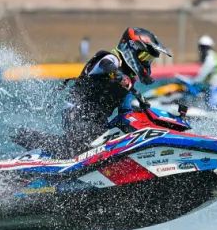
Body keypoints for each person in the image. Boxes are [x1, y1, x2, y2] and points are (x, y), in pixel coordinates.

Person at [51, 27, 171, 157]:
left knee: (121, 129)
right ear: (132, 49)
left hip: (97, 121)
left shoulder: (129, 81)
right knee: (85, 143)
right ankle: (64, 154)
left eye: (149, 59)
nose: (146, 62)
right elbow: (106, 64)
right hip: (76, 112)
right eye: (145, 57)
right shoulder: (112, 59)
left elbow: (125, 113)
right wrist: (119, 76)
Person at [193, 35, 217, 110]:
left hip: (216, 85)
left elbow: (204, 71)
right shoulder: (213, 56)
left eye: (203, 47)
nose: (202, 49)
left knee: (214, 107)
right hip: (215, 84)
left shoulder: (210, 57)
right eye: (201, 47)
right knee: (212, 105)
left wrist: (195, 81)